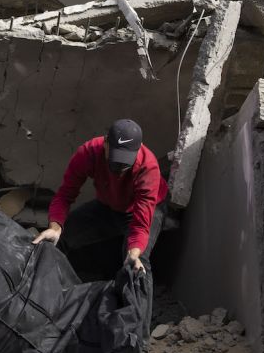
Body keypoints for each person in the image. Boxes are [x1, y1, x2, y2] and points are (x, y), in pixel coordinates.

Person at [33, 118, 168, 281]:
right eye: (115, 159)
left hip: (140, 211)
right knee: (57, 238)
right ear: (105, 143)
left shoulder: (147, 167)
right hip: (108, 205)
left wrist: (134, 252)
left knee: (137, 266)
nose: (119, 168)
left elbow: (140, 225)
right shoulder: (88, 153)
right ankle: (39, 289)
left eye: (125, 163)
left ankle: (134, 306)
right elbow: (64, 195)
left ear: (137, 151)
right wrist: (55, 227)